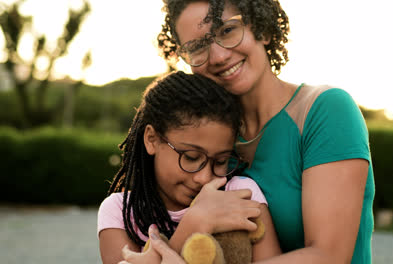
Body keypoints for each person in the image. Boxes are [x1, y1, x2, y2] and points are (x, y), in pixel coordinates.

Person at [125, 0, 375, 263]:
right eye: (198, 46)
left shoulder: (326, 111)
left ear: (262, 30)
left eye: (227, 31)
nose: (219, 56)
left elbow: (329, 256)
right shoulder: (209, 143)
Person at [97, 71, 281, 264]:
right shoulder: (120, 211)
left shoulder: (240, 194)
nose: (204, 177)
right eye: (191, 157)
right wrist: (194, 223)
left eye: (220, 161)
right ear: (152, 139)